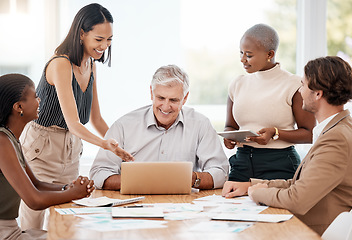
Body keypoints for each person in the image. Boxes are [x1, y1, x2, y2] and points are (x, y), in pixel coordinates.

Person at [19, 3, 133, 231]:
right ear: (82, 33)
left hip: (71, 152)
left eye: (109, 39)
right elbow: (73, 122)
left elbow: (97, 118)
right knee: (33, 225)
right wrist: (105, 145)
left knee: (65, 224)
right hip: (42, 150)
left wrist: (122, 148)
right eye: (99, 39)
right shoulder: (60, 64)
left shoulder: (91, 64)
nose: (104, 46)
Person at [222, 56, 352, 235]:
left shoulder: (336, 138)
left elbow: (297, 199)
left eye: (303, 85)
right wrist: (251, 185)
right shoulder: (337, 129)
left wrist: (256, 194)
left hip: (314, 231)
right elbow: (298, 184)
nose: (300, 90)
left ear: (318, 93)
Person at [90, 64, 229, 190]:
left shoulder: (200, 124)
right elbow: (99, 173)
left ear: (185, 98)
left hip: (183, 207)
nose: (166, 107)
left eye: (173, 100)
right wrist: (139, 182)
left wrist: (192, 178)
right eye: (161, 98)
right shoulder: (124, 126)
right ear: (151, 93)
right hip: (136, 204)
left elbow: (220, 172)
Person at [0, 73, 95, 239]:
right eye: (35, 96)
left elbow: (36, 184)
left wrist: (69, 187)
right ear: (19, 107)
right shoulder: (2, 142)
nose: (40, 100)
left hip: (10, 230)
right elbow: (34, 200)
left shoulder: (11, 139)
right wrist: (74, 193)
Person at [224, 23, 315, 182]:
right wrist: (229, 137)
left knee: (274, 208)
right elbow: (230, 126)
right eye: (241, 53)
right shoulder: (237, 84)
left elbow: (309, 133)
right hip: (242, 163)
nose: (242, 59)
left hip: (280, 164)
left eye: (249, 55)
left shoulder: (293, 85)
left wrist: (276, 133)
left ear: (269, 54)